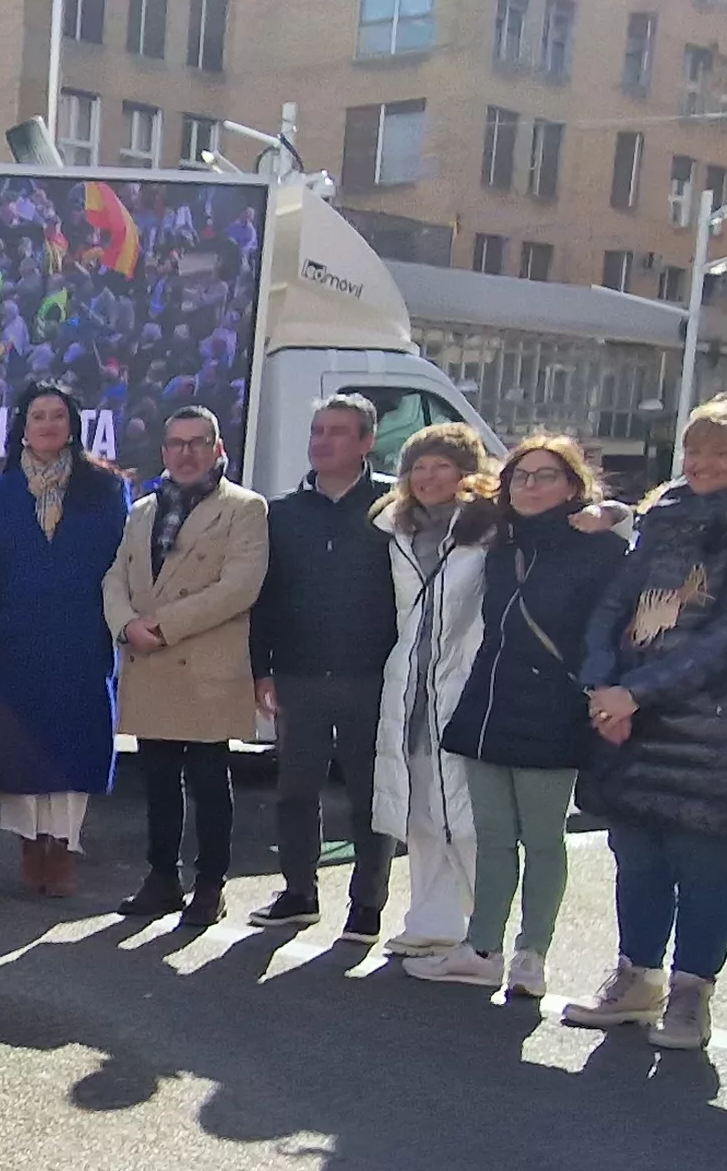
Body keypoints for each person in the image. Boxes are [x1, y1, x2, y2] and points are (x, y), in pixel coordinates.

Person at [562, 398, 727, 1048]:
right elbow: (615, 604)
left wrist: (635, 694)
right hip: (631, 719)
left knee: (702, 862)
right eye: (695, 450)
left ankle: (690, 997)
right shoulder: (665, 516)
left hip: (720, 731)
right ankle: (635, 981)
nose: (703, 464)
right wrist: (601, 684)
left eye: (722, 453)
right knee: (635, 855)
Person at [408, 437, 626, 998]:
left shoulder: (600, 547)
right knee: (494, 835)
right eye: (521, 476)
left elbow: (642, 541)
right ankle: (482, 948)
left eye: (545, 476)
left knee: (544, 838)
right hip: (489, 701)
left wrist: (617, 513)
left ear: (573, 485)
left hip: (554, 705)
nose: (530, 487)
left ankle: (532, 955)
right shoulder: (500, 540)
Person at [101, 405, 271, 923]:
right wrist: (126, 623)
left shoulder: (245, 508)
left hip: (204, 664)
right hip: (149, 661)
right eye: (176, 443)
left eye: (198, 442)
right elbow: (115, 575)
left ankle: (210, 884)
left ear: (218, 449)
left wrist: (161, 626)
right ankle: (161, 878)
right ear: (163, 452)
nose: (187, 452)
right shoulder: (143, 511)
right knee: (157, 783)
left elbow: (239, 587)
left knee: (209, 783)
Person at [0, 381, 129, 900]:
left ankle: (63, 850)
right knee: (22, 748)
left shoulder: (105, 487)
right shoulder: (2, 492)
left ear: (72, 425)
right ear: (23, 427)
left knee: (75, 746)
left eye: (58, 416)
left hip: (82, 637)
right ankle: (29, 847)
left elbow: (122, 566)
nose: (49, 425)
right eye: (38, 416)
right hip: (18, 641)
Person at [252, 393, 400, 938]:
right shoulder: (282, 513)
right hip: (299, 673)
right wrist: (261, 668)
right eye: (317, 430)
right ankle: (298, 893)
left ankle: (367, 905)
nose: (322, 441)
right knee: (295, 790)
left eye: (338, 432)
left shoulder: (394, 507)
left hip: (373, 677)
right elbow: (265, 598)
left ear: (367, 442)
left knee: (369, 793)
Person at [368, 422, 498, 959]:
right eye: (418, 467)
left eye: (441, 465)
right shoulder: (396, 530)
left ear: (467, 472)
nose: (427, 477)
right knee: (419, 810)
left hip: (467, 684)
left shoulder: (493, 530)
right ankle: (430, 920)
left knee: (465, 817)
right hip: (409, 685)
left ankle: (484, 931)